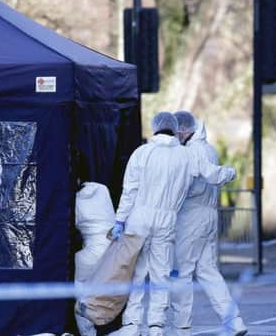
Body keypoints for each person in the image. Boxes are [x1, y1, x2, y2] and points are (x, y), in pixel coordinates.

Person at [110, 112, 236, 336]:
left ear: (155, 128)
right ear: (176, 128)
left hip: (139, 218)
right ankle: (156, 325)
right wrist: (230, 172)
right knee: (161, 274)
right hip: (167, 221)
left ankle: (132, 324)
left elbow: (129, 191)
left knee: (138, 273)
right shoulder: (186, 156)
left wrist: (119, 220)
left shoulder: (142, 153)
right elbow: (212, 174)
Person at [170, 111, 247, 336]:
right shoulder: (209, 149)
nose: (175, 136)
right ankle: (234, 322)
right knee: (209, 272)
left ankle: (181, 327)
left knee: (181, 273)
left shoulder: (190, 153)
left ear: (184, 130)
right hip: (209, 216)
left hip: (190, 219)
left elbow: (205, 177)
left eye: (176, 132)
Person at [74, 182, 116, 336]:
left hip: (91, 254)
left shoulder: (75, 202)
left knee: (80, 290)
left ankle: (87, 332)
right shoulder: (103, 189)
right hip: (114, 250)